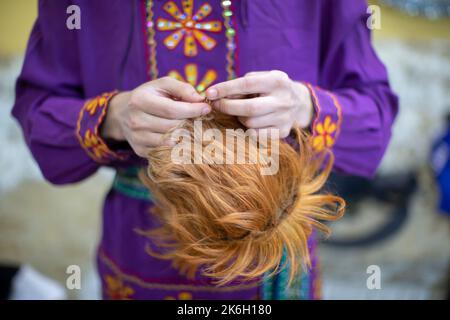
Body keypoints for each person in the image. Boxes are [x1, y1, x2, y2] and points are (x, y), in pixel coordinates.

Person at [12, 0, 398, 300]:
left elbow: (375, 118)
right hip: (139, 241)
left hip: (274, 244)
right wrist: (114, 117)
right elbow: (38, 112)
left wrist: (305, 106)